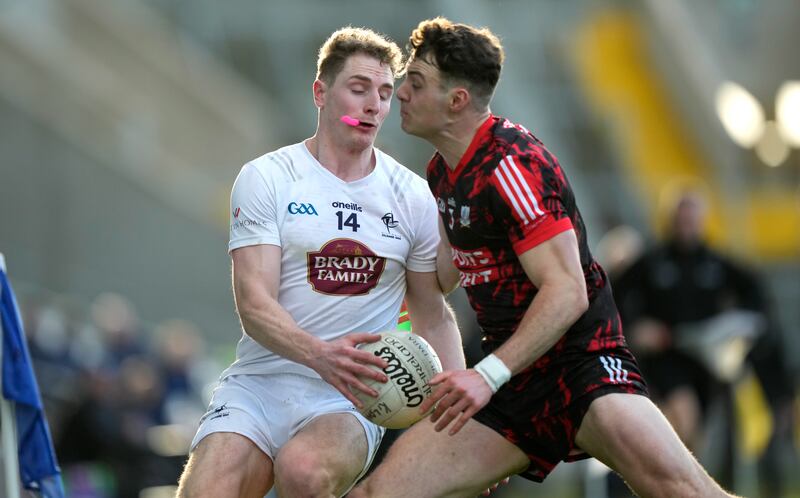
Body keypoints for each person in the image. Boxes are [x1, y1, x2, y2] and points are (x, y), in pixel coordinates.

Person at [349, 18, 737, 498]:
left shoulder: (511, 167)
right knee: (376, 493)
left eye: (416, 81)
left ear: (457, 100)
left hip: (580, 368)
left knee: (686, 493)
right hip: (512, 383)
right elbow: (444, 276)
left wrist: (485, 377)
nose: (401, 92)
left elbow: (568, 291)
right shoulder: (442, 172)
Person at [176, 26, 465, 498]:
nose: (373, 106)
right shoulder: (269, 177)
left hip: (350, 397)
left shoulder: (412, 195)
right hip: (260, 382)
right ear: (320, 93)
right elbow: (254, 304)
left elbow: (433, 315)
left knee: (304, 472)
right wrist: (320, 355)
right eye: (359, 89)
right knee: (206, 491)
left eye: (384, 93)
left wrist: (463, 427)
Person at [613, 185, 795, 492]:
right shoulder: (653, 261)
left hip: (706, 362)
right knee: (683, 420)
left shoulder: (715, 263)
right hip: (666, 358)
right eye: (681, 217)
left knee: (693, 437)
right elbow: (614, 297)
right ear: (670, 220)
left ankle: (673, 489)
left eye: (692, 218)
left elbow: (755, 293)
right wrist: (635, 329)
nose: (687, 224)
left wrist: (737, 326)